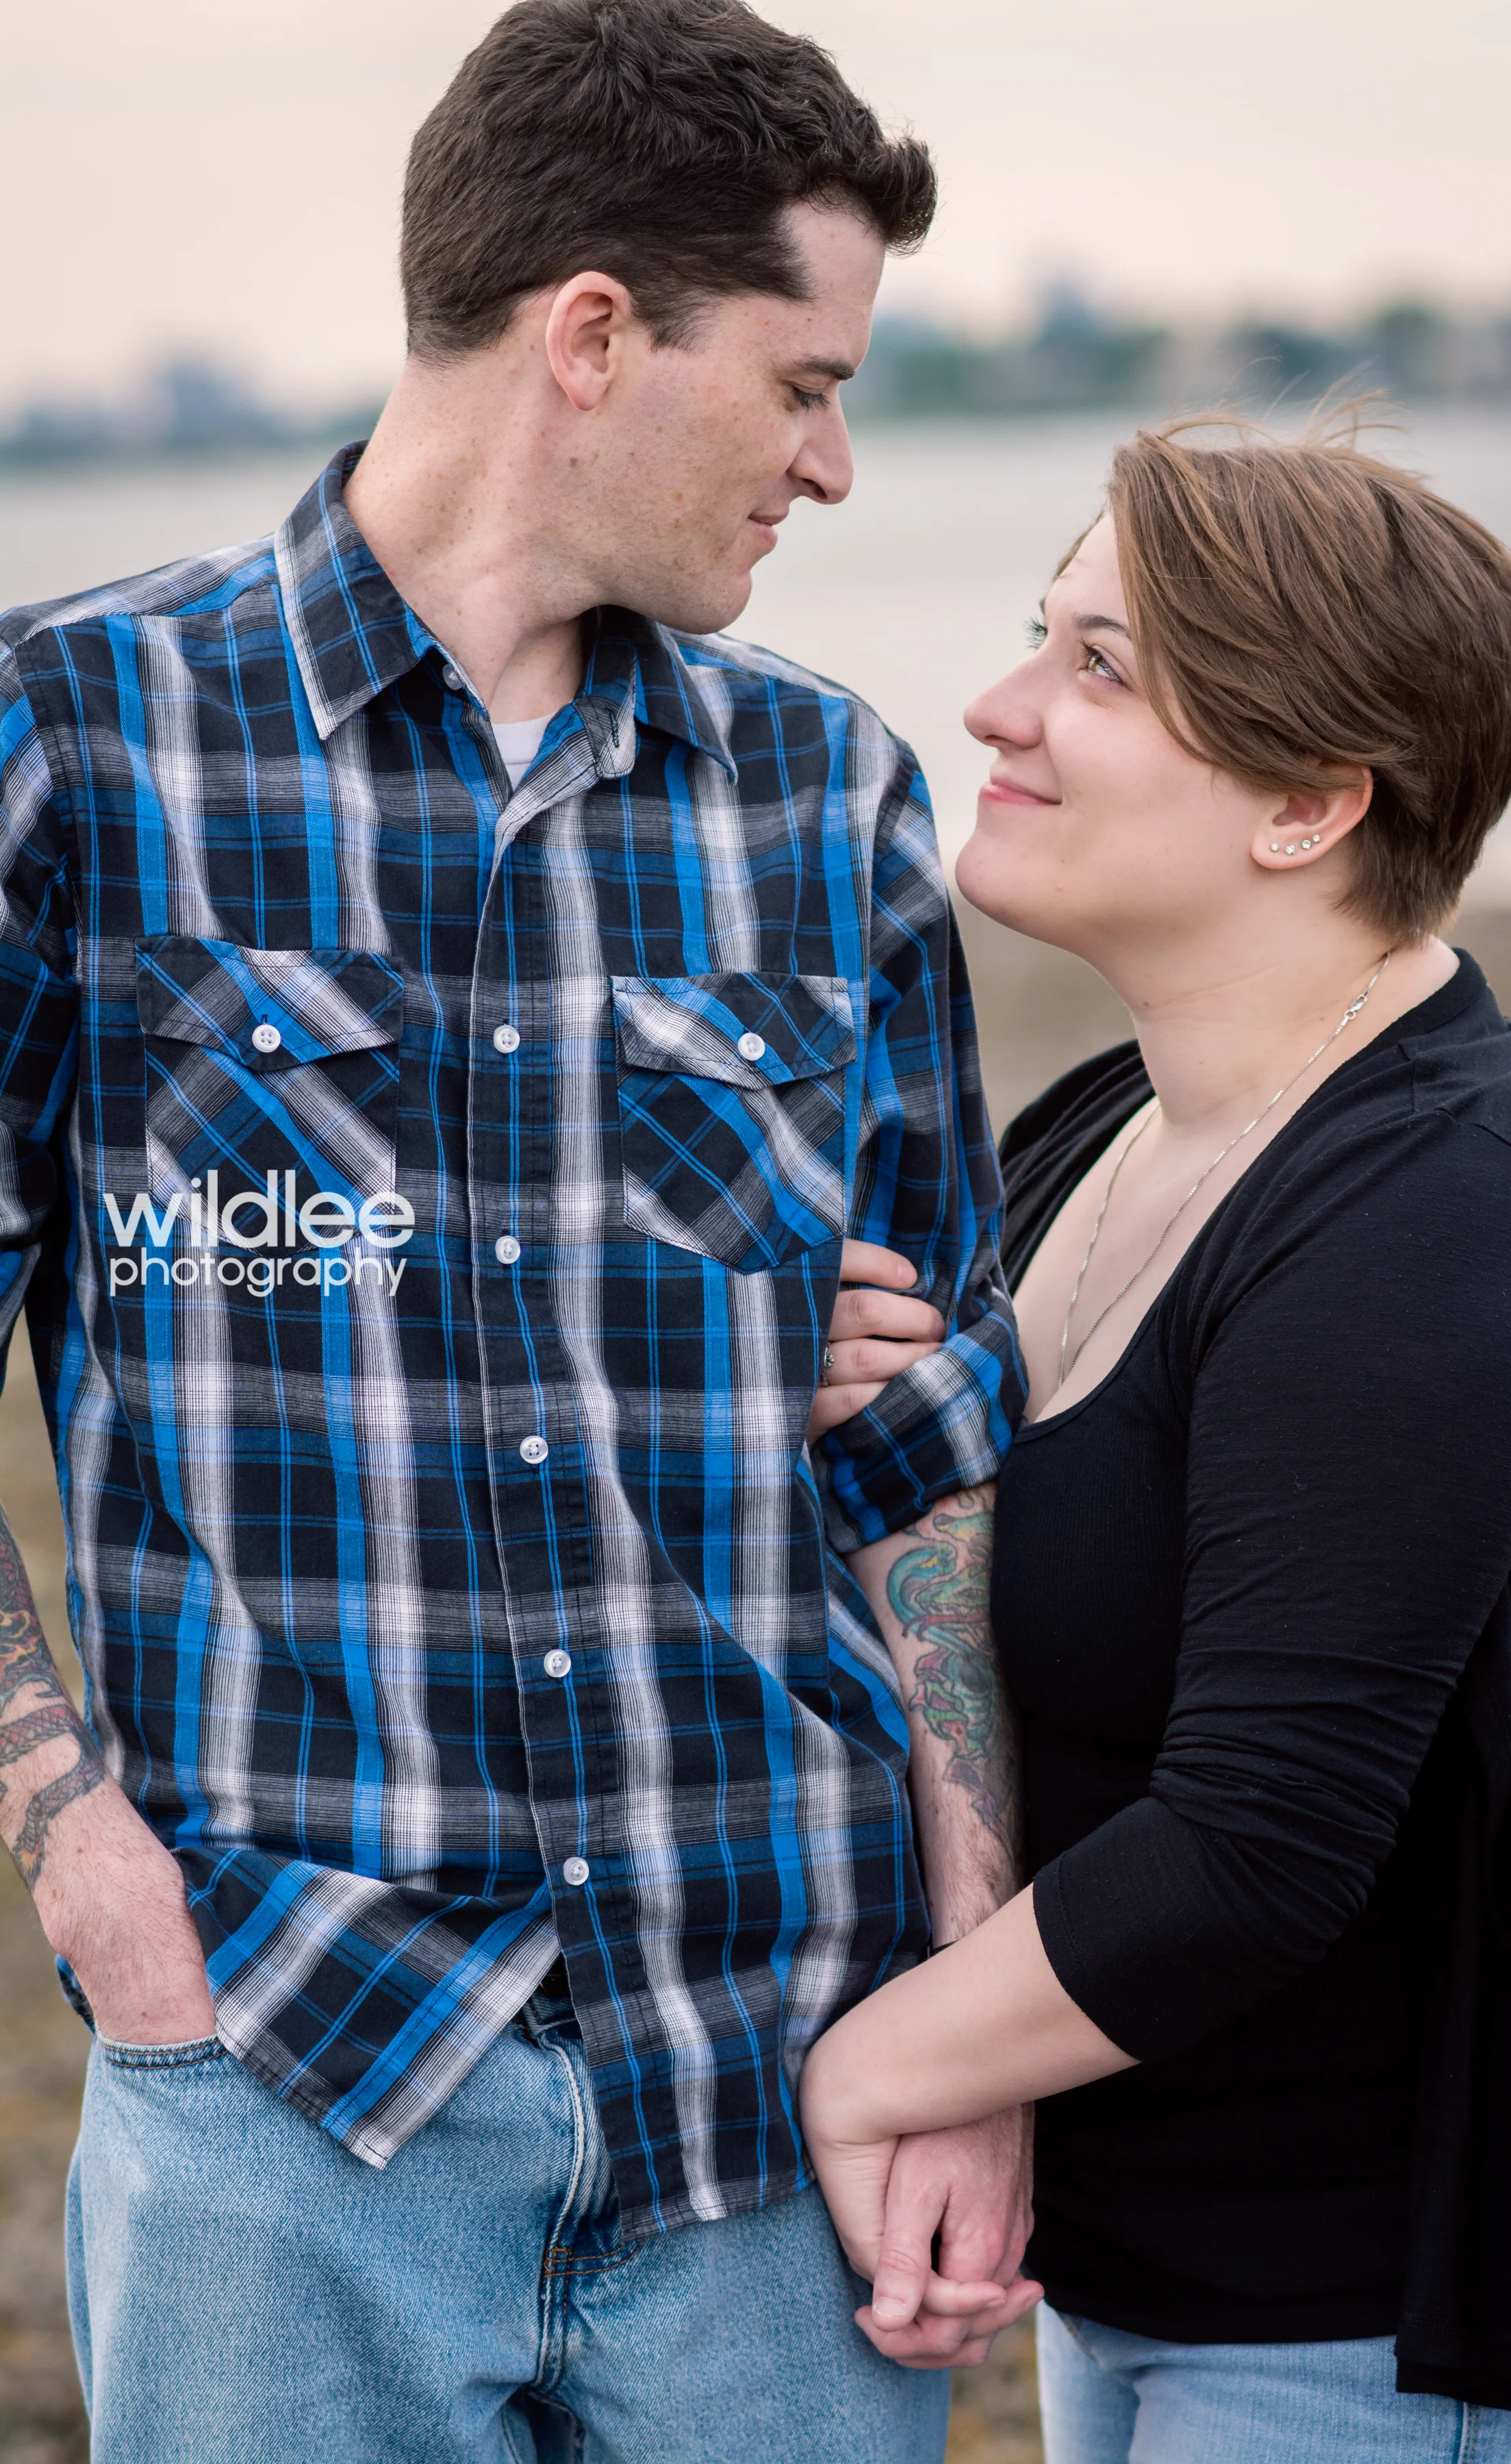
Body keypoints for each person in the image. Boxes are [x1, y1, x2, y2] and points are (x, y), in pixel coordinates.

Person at [0, 4, 1038, 2456]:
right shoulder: (83, 749)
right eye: (799, 379)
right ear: (593, 334)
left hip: (772, 2101)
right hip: (286, 2079)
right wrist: (79, 1857)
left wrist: (977, 2020)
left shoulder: (826, 797)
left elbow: (932, 1454)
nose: (836, 461)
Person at [800, 417, 1511, 2459]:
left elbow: (1256, 1845)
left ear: (1307, 804)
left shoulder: (1441, 1214)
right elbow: (1006, 1616)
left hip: (1385, 2339)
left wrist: (874, 2074)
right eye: (1036, 635)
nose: (999, 708)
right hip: (1144, 2281)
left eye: (1100, 668)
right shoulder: (1105, 1128)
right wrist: (883, 1419)